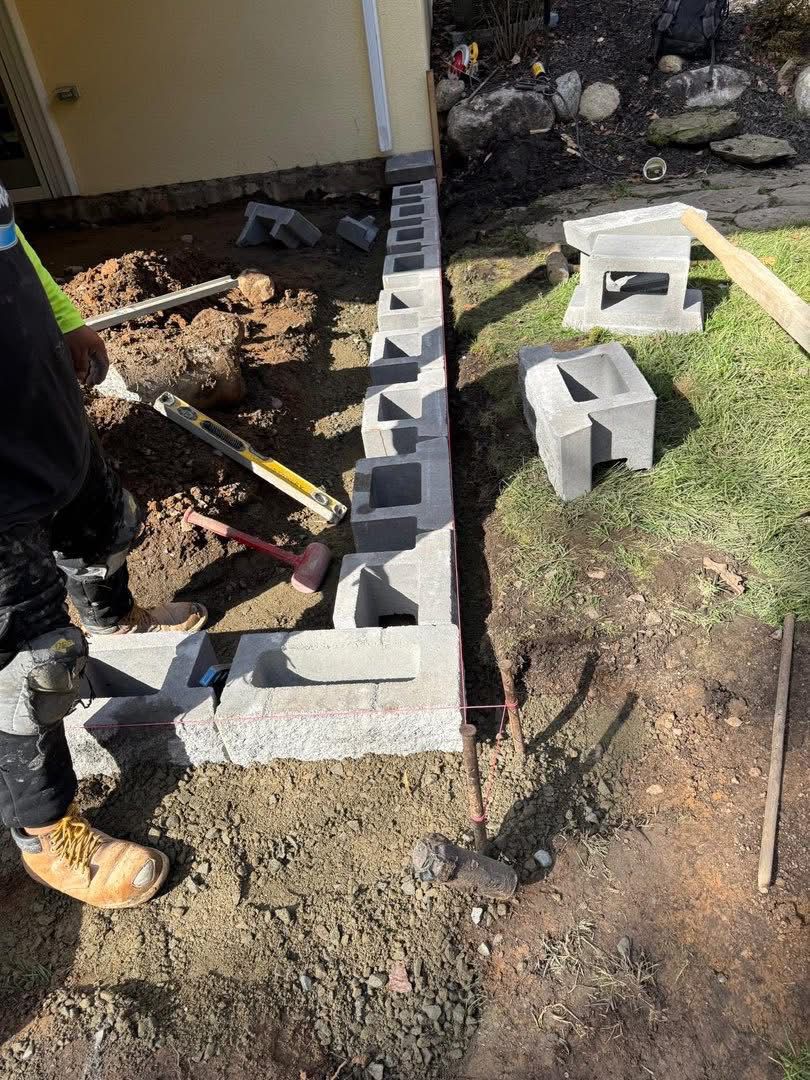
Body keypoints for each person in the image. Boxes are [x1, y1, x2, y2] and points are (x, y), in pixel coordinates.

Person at [0, 182, 207, 909]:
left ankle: (115, 618)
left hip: (41, 411)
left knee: (106, 527)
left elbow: (9, 241)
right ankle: (44, 829)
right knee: (31, 665)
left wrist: (64, 319)